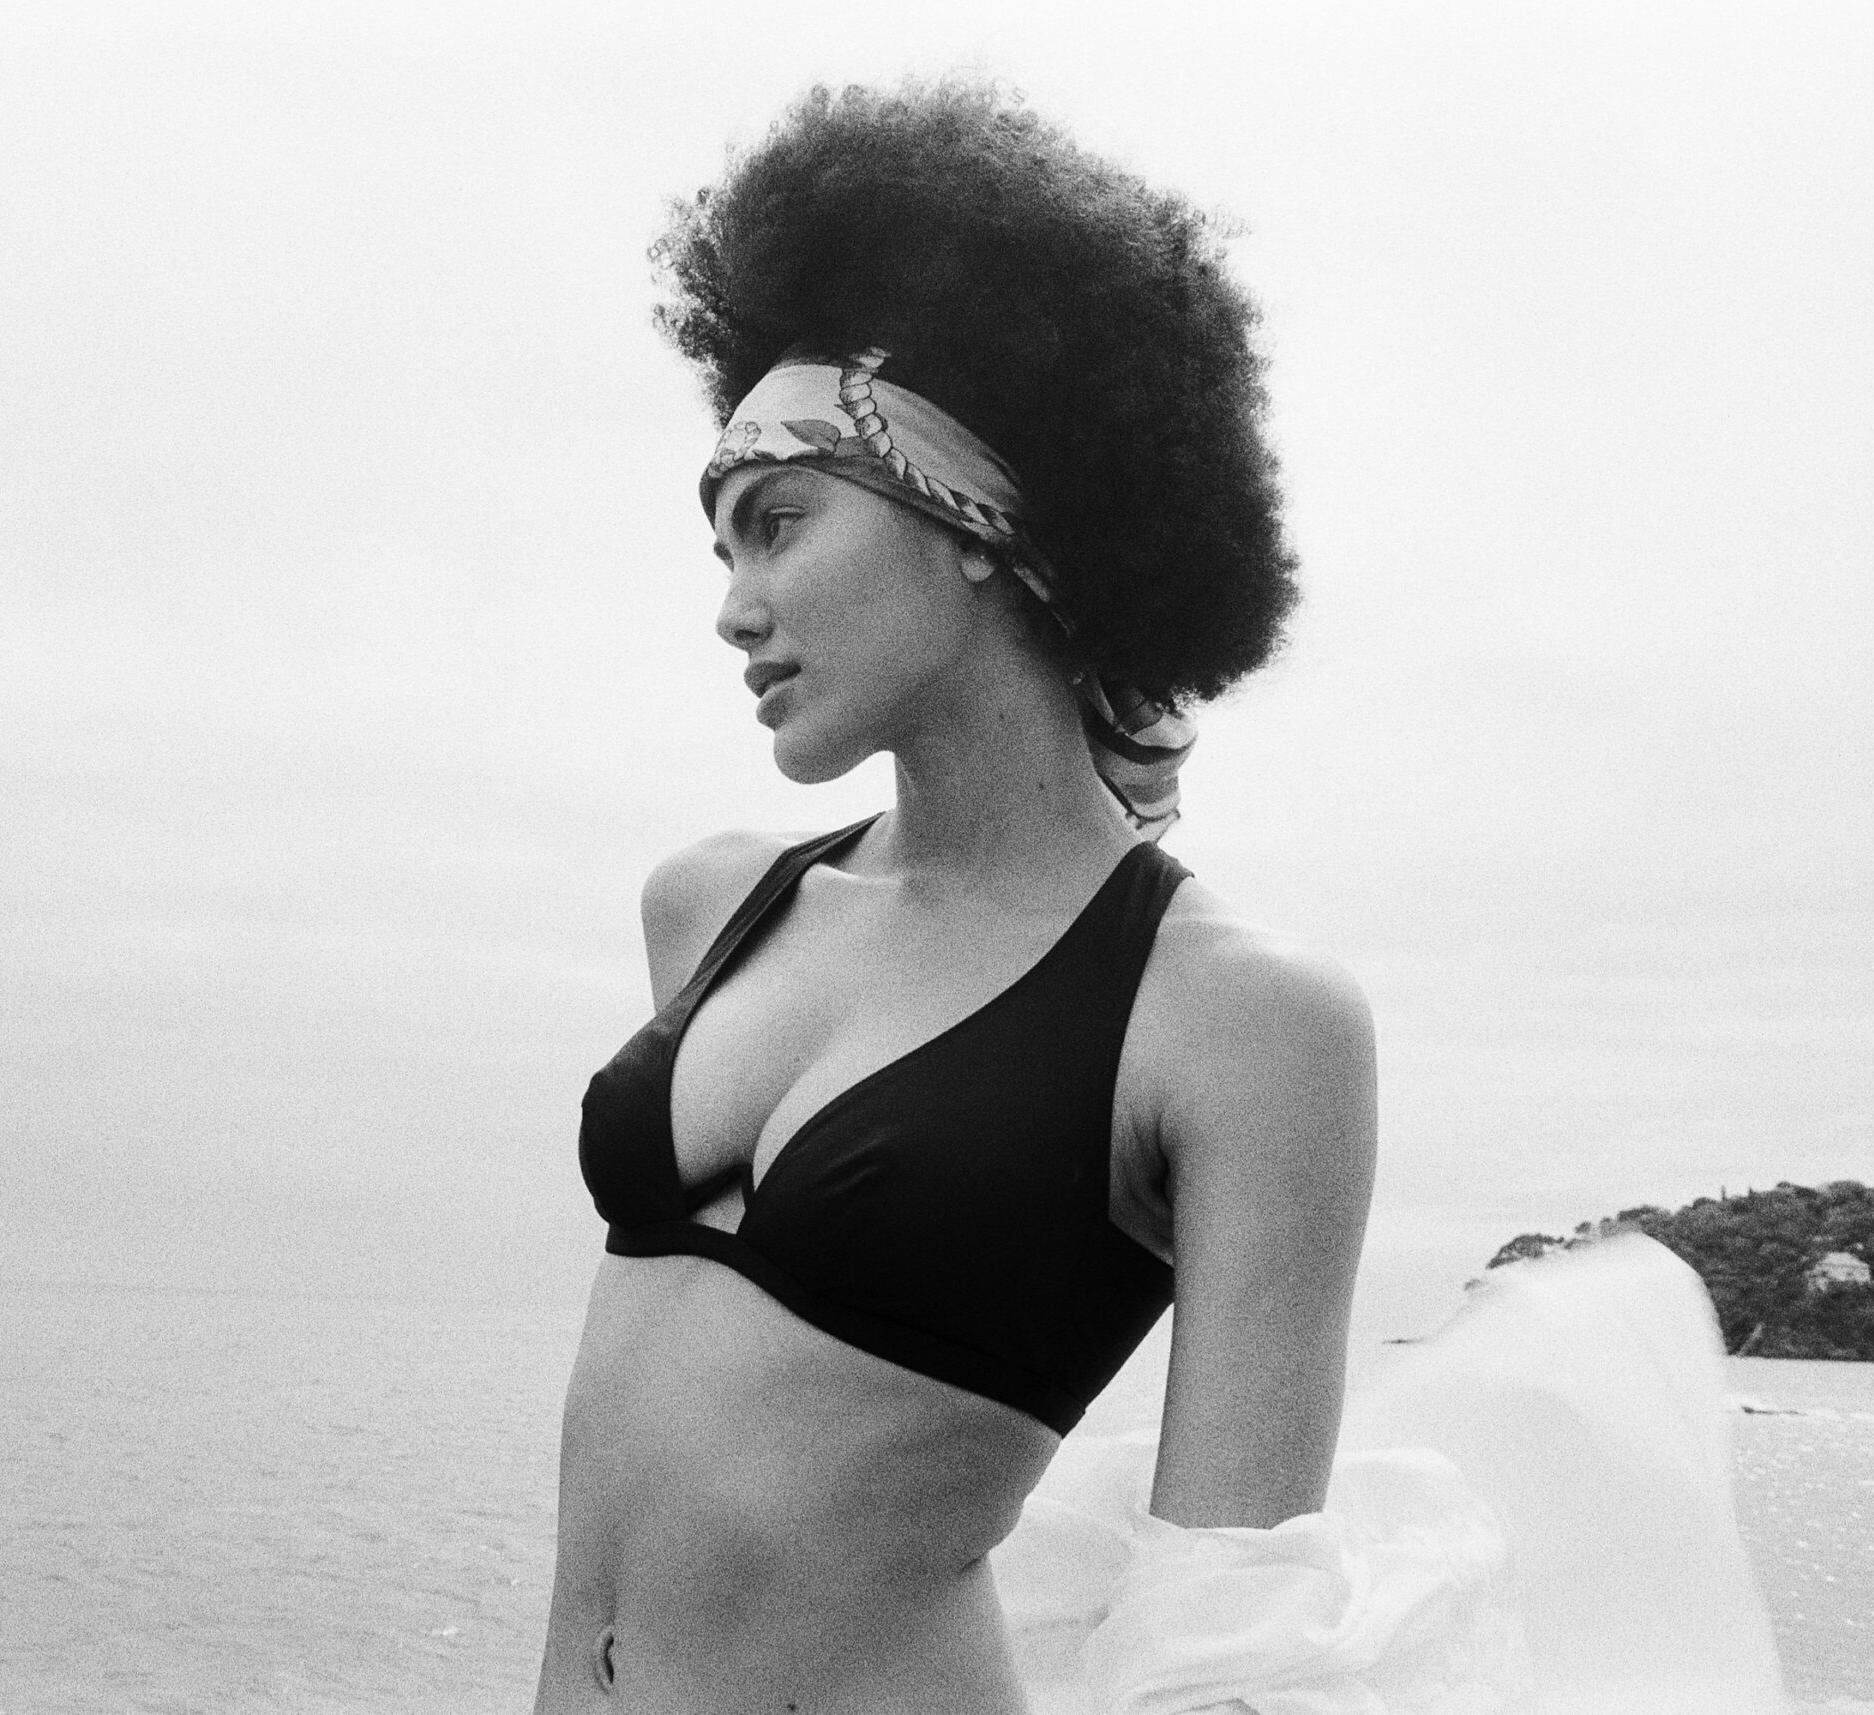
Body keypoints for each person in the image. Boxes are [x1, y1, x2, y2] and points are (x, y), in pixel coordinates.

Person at [538, 78, 1377, 1712]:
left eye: (780, 524)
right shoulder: (710, 907)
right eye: (721, 550)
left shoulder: (1238, 1020)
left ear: (973, 520)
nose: (735, 606)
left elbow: (1233, 1629)